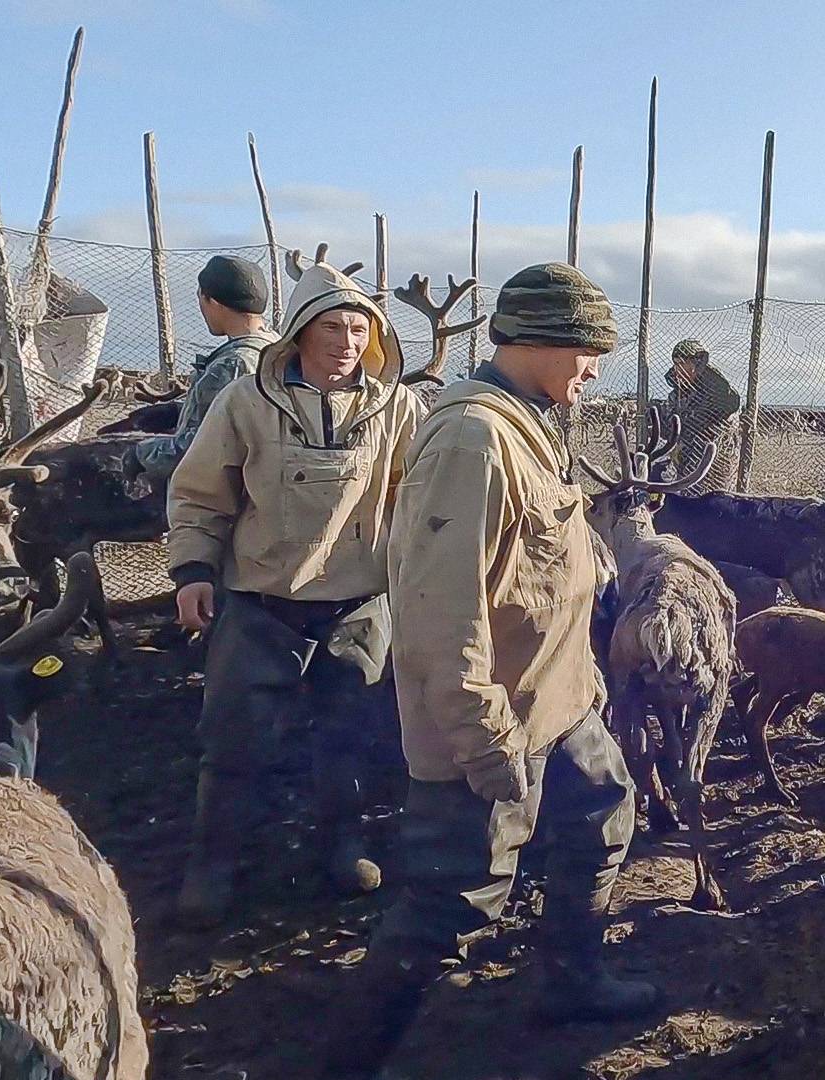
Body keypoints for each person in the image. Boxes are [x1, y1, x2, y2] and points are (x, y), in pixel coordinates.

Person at [320, 263, 659, 1077]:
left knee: (601, 817)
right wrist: (484, 739)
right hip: (492, 722)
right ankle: (342, 1064)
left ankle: (570, 981)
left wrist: (585, 682)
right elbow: (441, 612)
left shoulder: (529, 423)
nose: (593, 370)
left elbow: (543, 568)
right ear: (544, 342)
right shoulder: (473, 439)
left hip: (563, 704)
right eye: (588, 350)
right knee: (453, 902)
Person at [166, 252, 423, 927]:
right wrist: (193, 572)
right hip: (258, 605)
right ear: (300, 333)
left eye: (360, 331)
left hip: (358, 608)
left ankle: (342, 849)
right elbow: (199, 494)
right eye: (332, 328)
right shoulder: (245, 403)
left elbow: (420, 499)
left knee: (348, 741)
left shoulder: (398, 409)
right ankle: (211, 866)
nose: (347, 344)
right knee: (232, 743)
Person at [127, 255, 277, 484]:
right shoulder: (274, 349)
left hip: (218, 499)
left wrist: (141, 456)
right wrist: (179, 410)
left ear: (213, 301)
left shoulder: (232, 365)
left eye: (200, 298)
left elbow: (203, 448)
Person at [664, 336, 740, 490]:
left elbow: (727, 410)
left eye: (682, 364)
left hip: (717, 454)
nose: (678, 369)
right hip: (687, 454)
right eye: (675, 364)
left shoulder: (719, 391)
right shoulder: (677, 394)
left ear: (697, 364)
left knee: (717, 496)